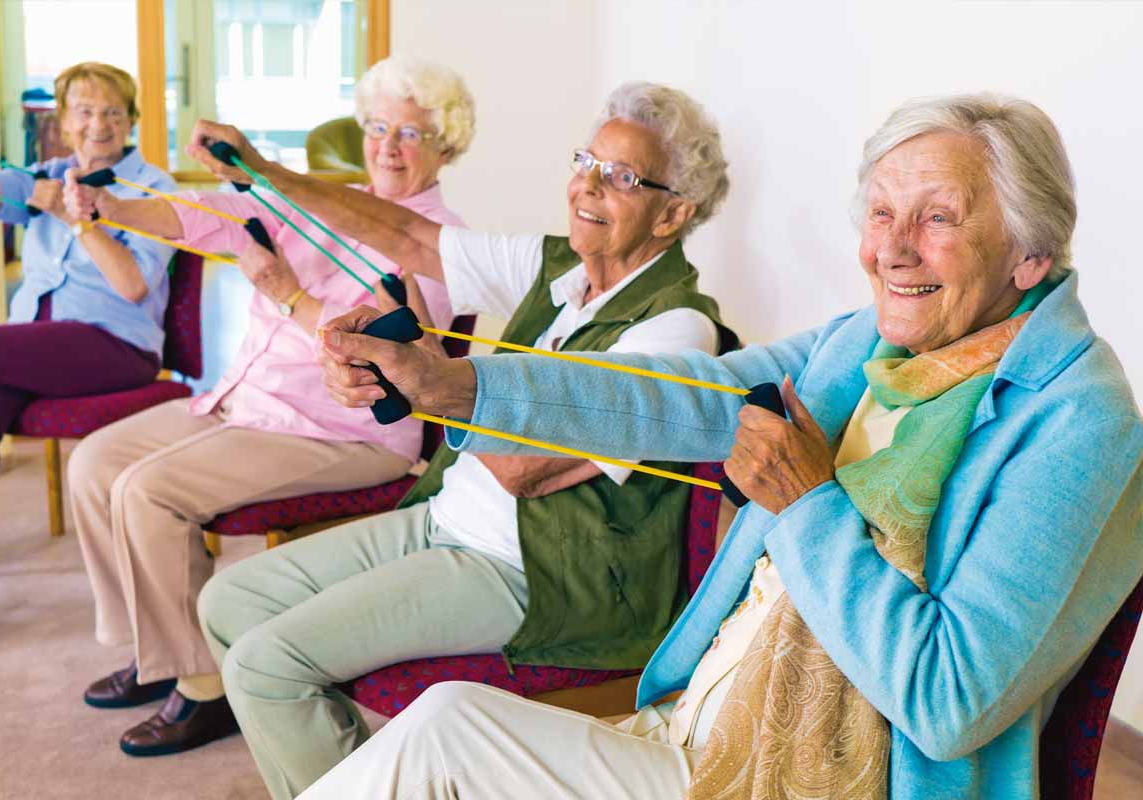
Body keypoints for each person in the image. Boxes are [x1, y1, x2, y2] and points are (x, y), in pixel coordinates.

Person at [309, 93, 1143, 800]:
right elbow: (665, 395)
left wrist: (810, 505)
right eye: (882, 213)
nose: (890, 249)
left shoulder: (1081, 421)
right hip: (698, 731)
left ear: (1030, 253)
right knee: (439, 733)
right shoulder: (866, 346)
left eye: (937, 219)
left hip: (810, 778)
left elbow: (947, 701)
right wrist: (454, 387)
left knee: (442, 739)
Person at [189, 80, 738, 798]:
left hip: (535, 566)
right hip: (448, 517)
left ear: (674, 214)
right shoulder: (559, 271)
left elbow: (520, 468)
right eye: (586, 161)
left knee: (266, 666)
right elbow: (408, 236)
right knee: (228, 604)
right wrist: (267, 174)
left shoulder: (675, 329)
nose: (587, 186)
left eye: (622, 177)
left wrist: (424, 376)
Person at [58, 56, 472, 757]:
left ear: (446, 145)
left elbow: (385, 356)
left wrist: (284, 290)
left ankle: (202, 687)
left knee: (147, 491)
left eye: (412, 132)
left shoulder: (441, 242)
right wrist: (110, 208)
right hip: (248, 400)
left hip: (339, 431)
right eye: (377, 127)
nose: (388, 146)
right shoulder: (328, 197)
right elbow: (206, 218)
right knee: (96, 463)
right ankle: (158, 650)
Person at [0, 62, 174, 655]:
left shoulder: (153, 189)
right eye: (85, 112)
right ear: (64, 123)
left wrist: (77, 215)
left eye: (113, 112)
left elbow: (132, 287)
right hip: (37, 349)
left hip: (113, 346)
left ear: (131, 121)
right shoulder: (41, 175)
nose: (99, 124)